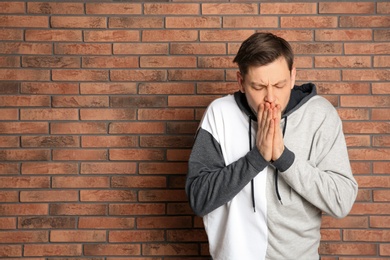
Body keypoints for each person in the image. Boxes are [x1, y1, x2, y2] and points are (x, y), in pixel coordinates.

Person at [185, 32, 358, 260]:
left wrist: (283, 157)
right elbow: (199, 199)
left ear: (293, 76)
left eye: (279, 85)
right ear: (241, 82)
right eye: (258, 87)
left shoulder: (320, 115)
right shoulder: (220, 114)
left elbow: (341, 201)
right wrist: (257, 158)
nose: (271, 98)